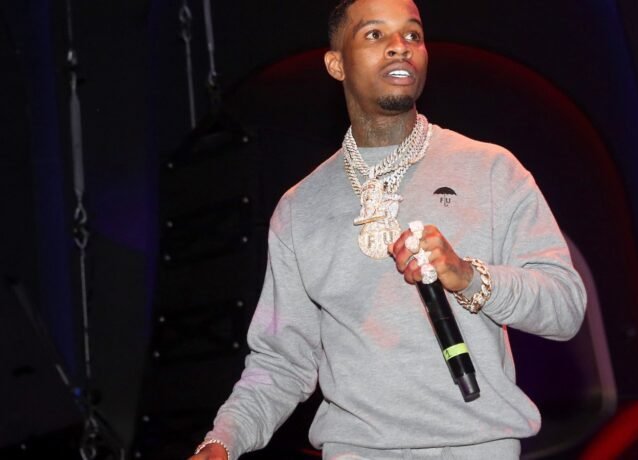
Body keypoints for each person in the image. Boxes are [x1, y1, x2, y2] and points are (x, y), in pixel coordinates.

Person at [190, 0, 586, 458]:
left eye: (413, 34)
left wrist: (468, 276)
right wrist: (224, 440)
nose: (401, 46)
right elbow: (282, 360)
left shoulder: (492, 170)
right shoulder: (299, 209)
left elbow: (565, 306)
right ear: (337, 64)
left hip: (477, 447)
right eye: (375, 34)